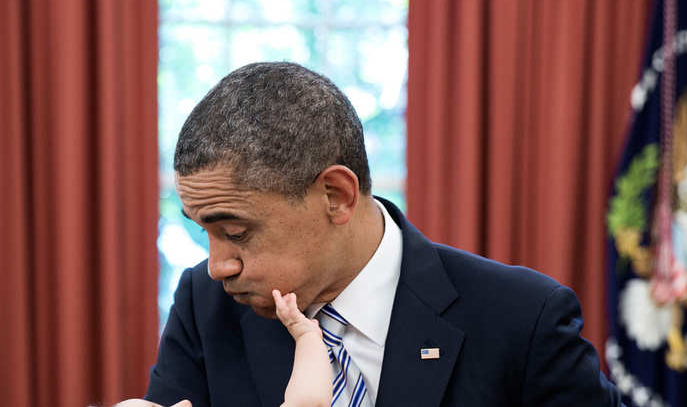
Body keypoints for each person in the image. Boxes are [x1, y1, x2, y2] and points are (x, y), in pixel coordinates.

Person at [126, 62, 624, 406]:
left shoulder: (522, 319)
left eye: (236, 231)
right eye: (204, 232)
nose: (218, 266)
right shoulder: (206, 305)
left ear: (337, 195)